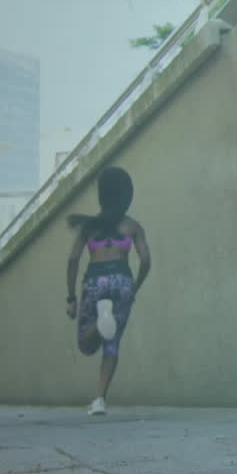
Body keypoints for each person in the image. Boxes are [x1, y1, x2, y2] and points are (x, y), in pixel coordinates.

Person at [65, 166, 150, 415]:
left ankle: (101, 322)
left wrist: (71, 297)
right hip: (123, 280)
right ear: (127, 195)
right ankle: (99, 400)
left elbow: (72, 259)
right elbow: (145, 260)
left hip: (95, 281)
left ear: (102, 194)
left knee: (85, 344)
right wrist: (134, 287)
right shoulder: (133, 227)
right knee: (112, 344)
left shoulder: (89, 227)